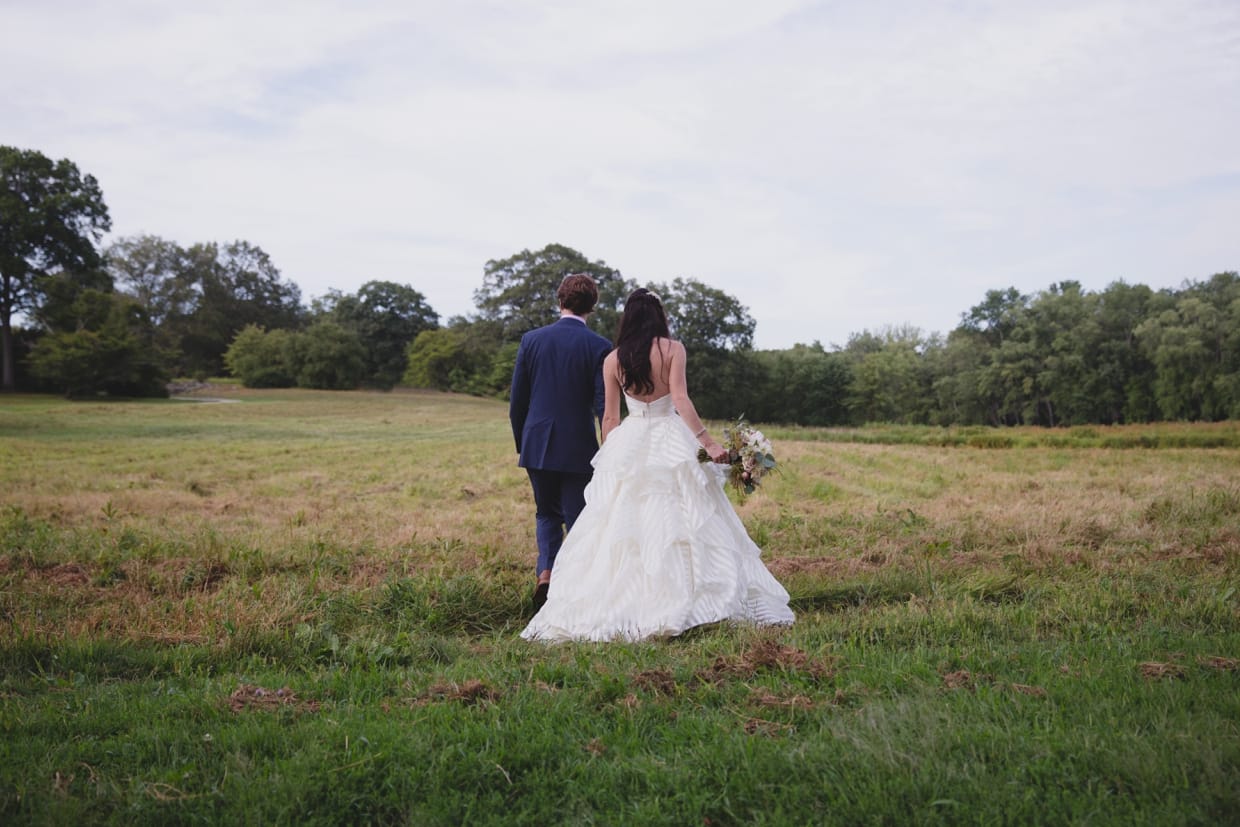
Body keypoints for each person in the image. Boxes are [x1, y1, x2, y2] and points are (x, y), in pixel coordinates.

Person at [521, 287, 794, 642]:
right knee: (684, 515)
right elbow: (680, 398)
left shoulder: (613, 359)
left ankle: (630, 600)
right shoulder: (673, 349)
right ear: (659, 317)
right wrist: (707, 442)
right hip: (670, 436)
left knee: (624, 521)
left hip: (630, 437)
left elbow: (609, 416)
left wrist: (611, 456)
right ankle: (691, 595)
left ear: (627, 319)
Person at [509, 273, 613, 611]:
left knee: (546, 513)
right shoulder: (598, 346)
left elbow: (517, 402)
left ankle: (547, 572)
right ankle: (577, 589)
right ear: (592, 307)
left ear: (560, 301)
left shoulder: (532, 340)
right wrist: (610, 448)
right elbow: (603, 405)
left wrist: (522, 443)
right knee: (578, 517)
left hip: (536, 442)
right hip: (577, 447)